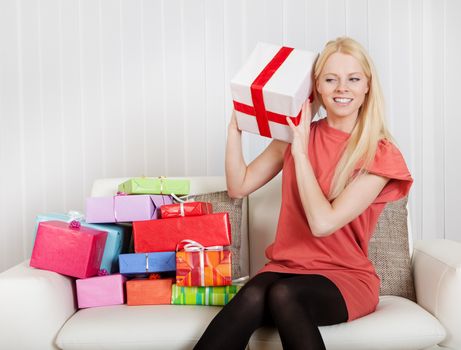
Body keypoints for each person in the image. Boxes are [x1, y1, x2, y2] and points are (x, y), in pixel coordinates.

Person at [194, 37, 413, 350]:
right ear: (317, 88)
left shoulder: (379, 153)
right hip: (286, 268)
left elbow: (322, 223)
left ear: (367, 87)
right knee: (256, 292)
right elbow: (239, 185)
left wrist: (300, 154)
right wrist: (235, 130)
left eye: (353, 79)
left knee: (284, 295)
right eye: (330, 79)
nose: (342, 88)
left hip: (345, 277)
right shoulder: (296, 135)